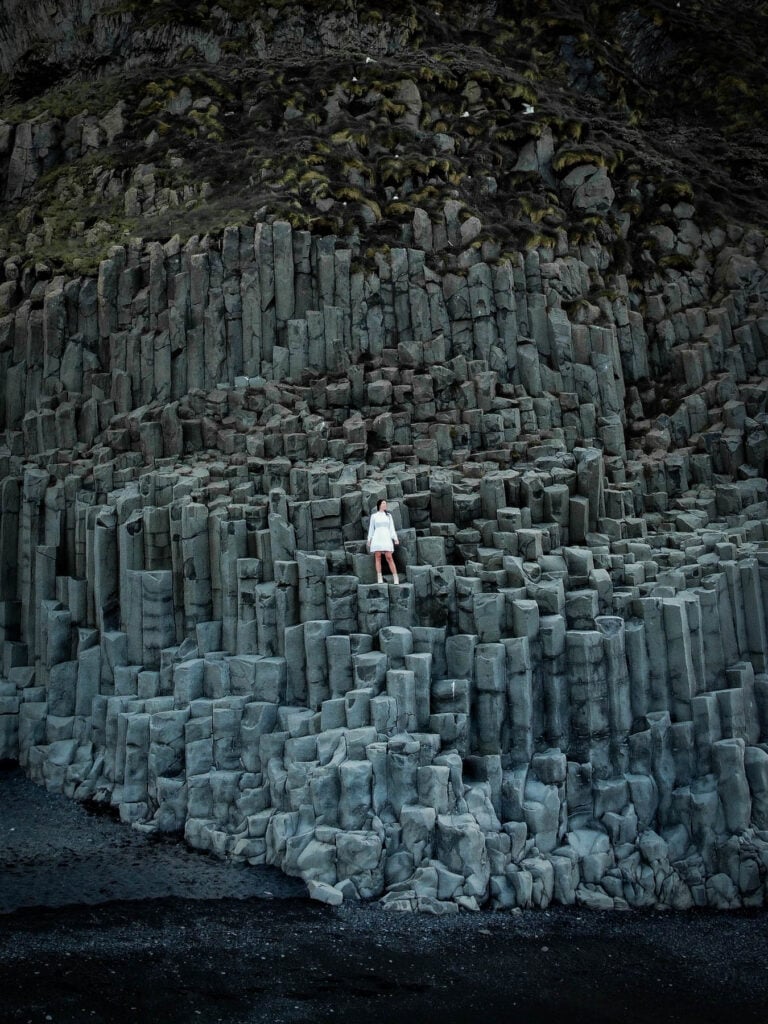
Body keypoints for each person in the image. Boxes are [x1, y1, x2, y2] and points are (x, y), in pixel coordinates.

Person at [366, 498, 400, 584]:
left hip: (386, 537)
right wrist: (369, 539)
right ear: (379, 505)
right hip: (377, 537)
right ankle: (379, 577)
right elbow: (371, 529)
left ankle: (395, 577)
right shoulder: (374, 516)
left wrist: (395, 538)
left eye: (385, 504)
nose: (385, 505)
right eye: (383, 503)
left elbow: (392, 528)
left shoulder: (388, 516)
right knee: (378, 557)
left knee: (389, 557)